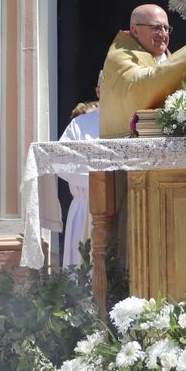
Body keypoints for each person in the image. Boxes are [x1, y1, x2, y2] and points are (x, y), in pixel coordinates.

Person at [97, 4, 186, 137]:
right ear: (135, 30)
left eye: (166, 28)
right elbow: (143, 85)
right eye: (157, 28)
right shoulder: (120, 55)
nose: (164, 34)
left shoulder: (168, 58)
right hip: (128, 146)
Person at [57, 83, 101, 269]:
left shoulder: (135, 120)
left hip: (128, 205)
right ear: (98, 90)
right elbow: (62, 162)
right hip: (86, 205)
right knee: (82, 267)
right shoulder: (80, 124)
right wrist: (101, 181)